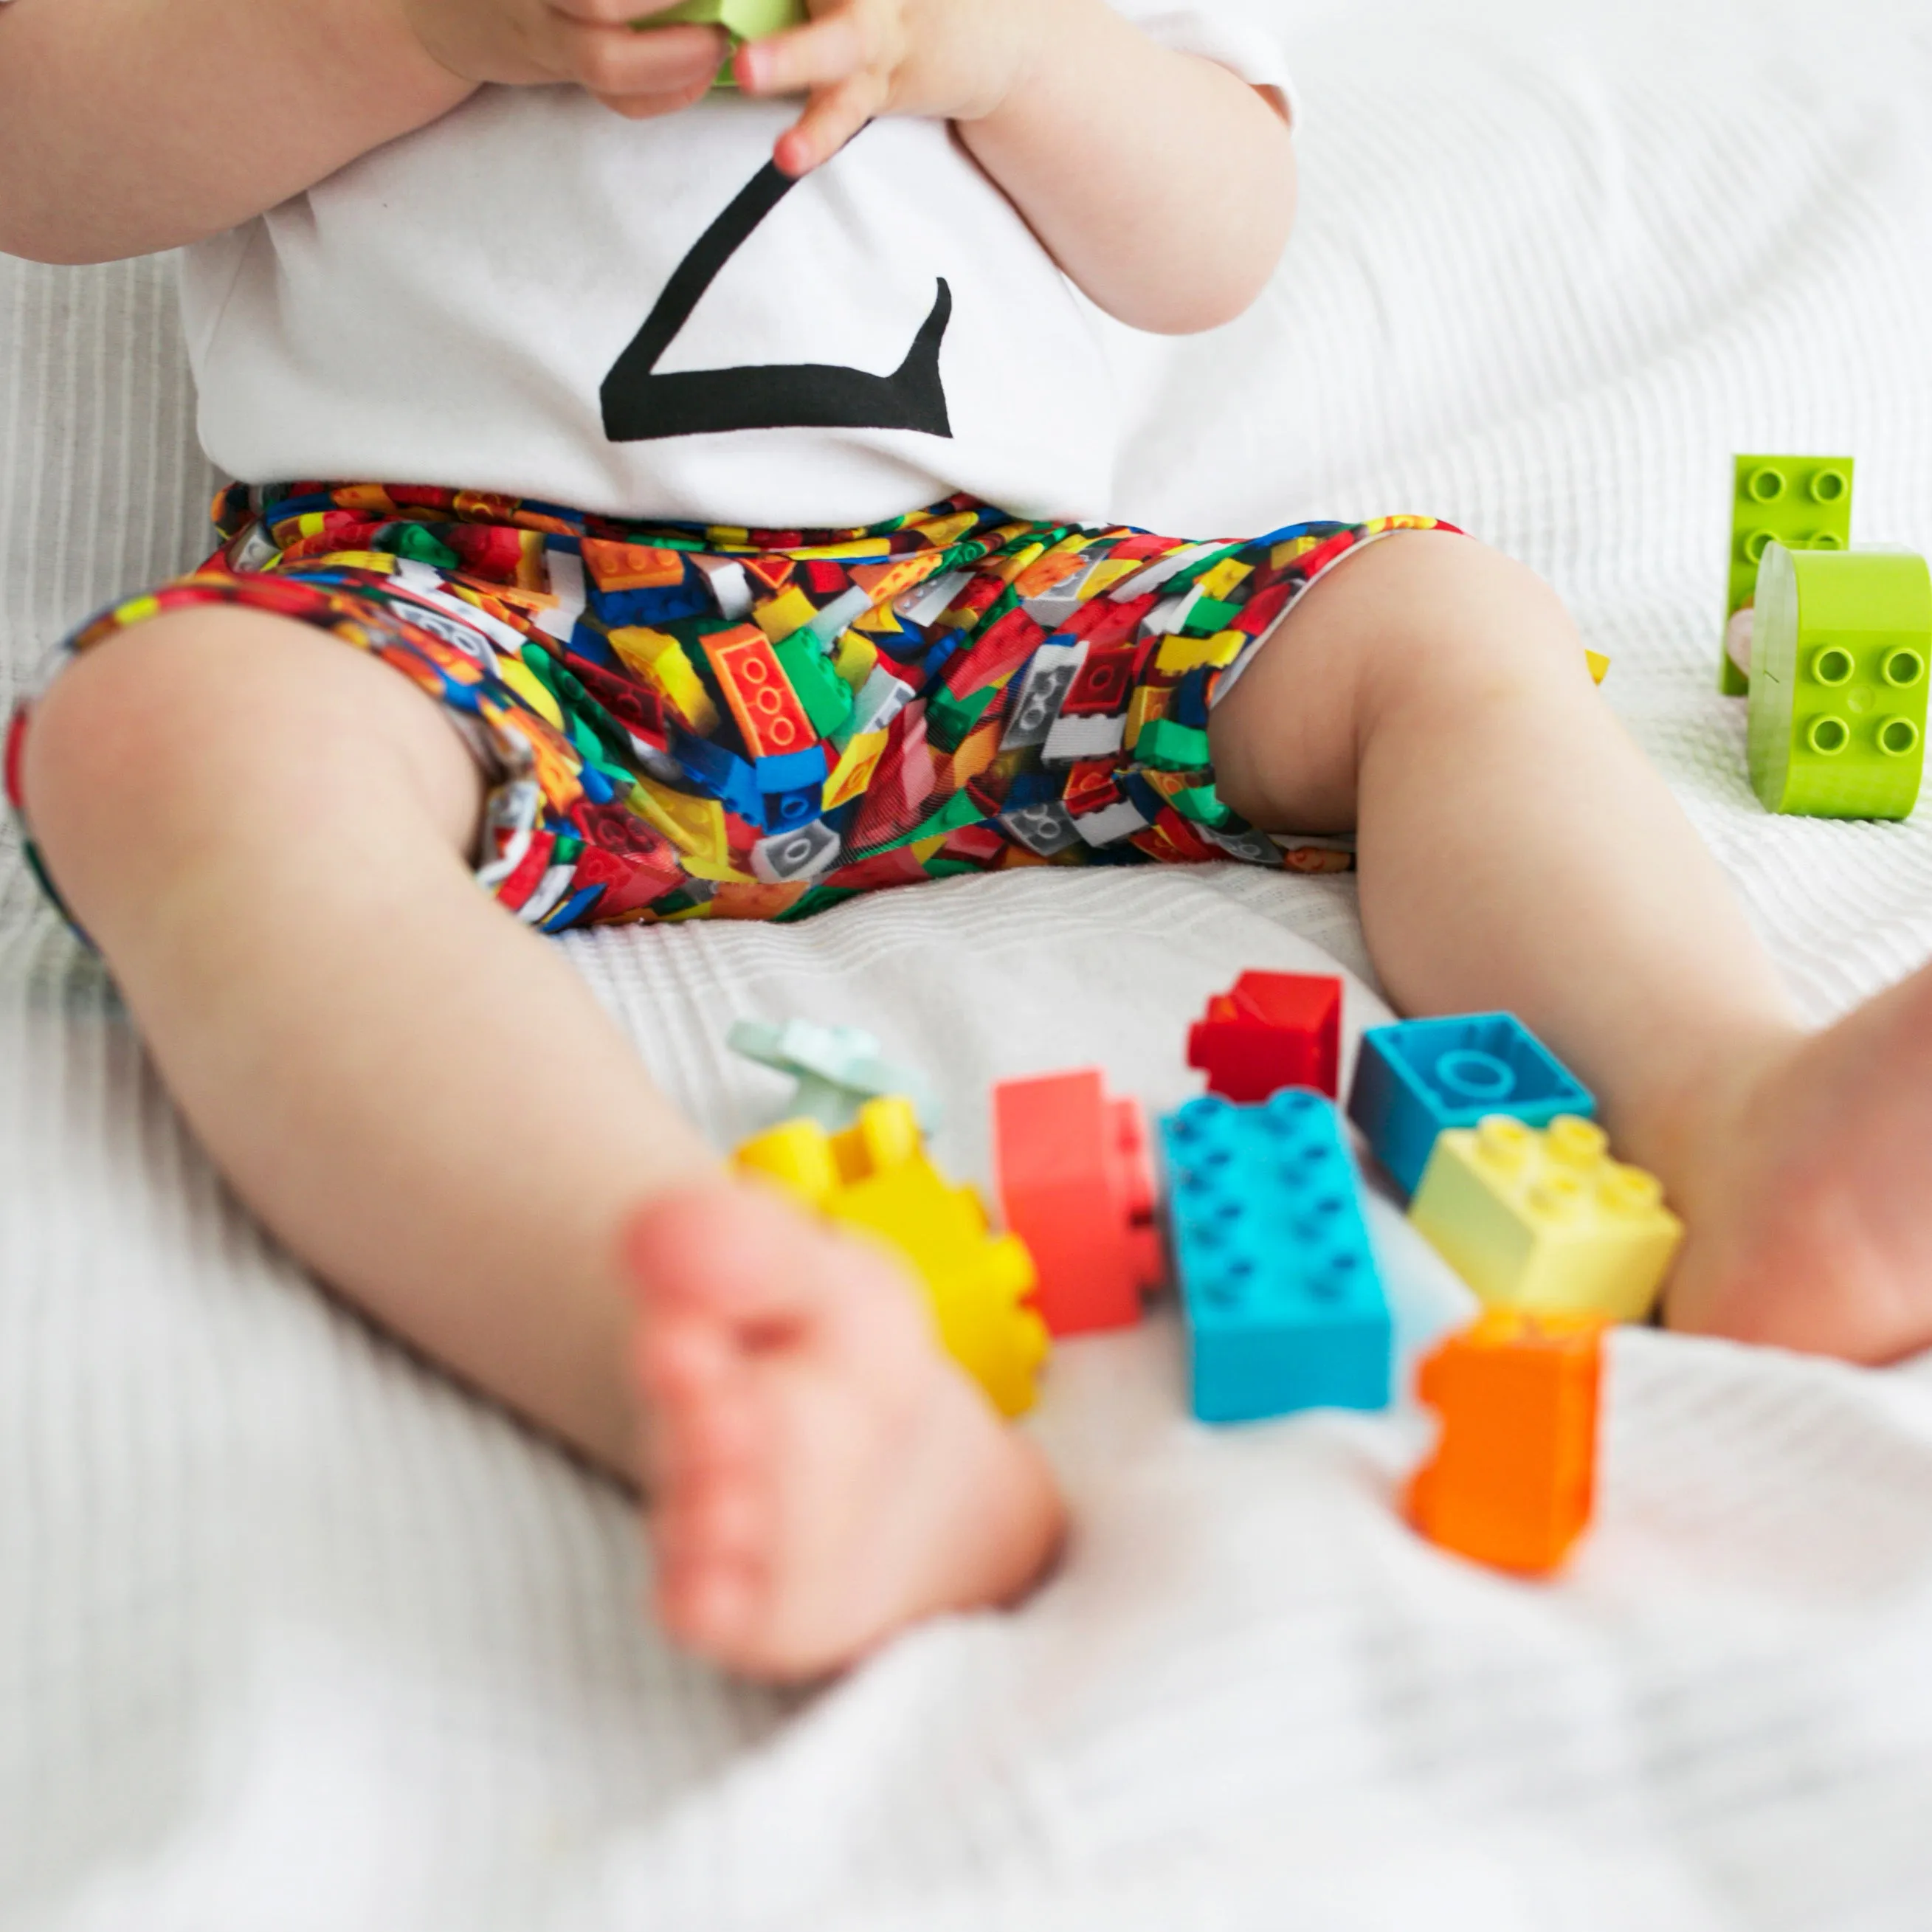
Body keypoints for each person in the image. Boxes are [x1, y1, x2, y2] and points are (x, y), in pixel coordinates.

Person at [4, 0, 1930, 1687]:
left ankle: (1734, 1125)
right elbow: (46, 149)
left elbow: (1217, 233)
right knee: (166, 736)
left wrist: (999, 45)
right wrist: (420, 31)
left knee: (1439, 625)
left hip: (967, 623)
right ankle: (721, 1358)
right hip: (447, 606)